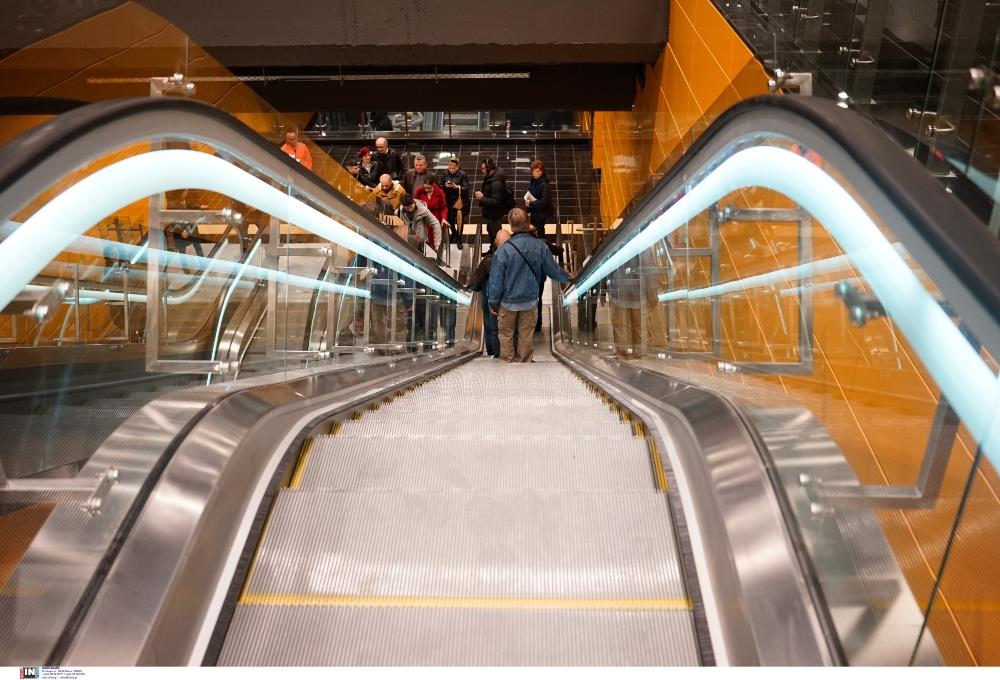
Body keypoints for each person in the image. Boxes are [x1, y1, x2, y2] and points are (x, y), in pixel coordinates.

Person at [488, 208, 570, 362]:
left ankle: (507, 366)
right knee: (526, 336)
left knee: (506, 336)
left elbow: (496, 281)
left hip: (507, 302)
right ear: (528, 223)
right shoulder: (540, 246)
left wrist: (493, 303)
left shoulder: (503, 250)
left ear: (511, 225)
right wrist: (569, 278)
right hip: (530, 301)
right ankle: (525, 367)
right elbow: (553, 270)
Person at [469, 229, 510, 357]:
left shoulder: (488, 260)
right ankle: (507, 351)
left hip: (490, 300)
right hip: (510, 300)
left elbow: (476, 282)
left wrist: (471, 287)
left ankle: (493, 352)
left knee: (491, 327)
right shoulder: (515, 259)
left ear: (495, 243)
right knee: (509, 328)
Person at [474, 157, 508, 246]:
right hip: (491, 213)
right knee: (490, 230)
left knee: (496, 235)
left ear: (489, 169)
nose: (482, 170)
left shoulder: (496, 183)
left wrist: (482, 197)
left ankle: (496, 253)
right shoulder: (491, 177)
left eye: (483, 168)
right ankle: (492, 250)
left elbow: (496, 201)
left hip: (495, 214)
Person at [414, 175, 448, 261]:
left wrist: (444, 218)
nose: (426, 190)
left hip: (434, 219)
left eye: (429, 188)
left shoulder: (439, 192)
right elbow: (415, 203)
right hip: (423, 220)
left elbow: (444, 208)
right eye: (425, 187)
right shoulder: (419, 191)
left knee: (434, 242)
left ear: (433, 184)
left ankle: (434, 260)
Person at [400, 194, 442, 261]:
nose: (410, 210)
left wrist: (437, 245)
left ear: (413, 201)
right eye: (407, 208)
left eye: (411, 207)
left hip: (419, 242)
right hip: (405, 242)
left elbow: (436, 224)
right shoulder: (399, 211)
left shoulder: (423, 210)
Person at [440, 156, 468, 251]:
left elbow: (466, 188)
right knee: (450, 220)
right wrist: (445, 185)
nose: (451, 170)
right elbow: (439, 185)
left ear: (457, 167)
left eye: (454, 168)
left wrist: (457, 187)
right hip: (449, 201)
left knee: (460, 222)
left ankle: (459, 239)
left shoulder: (463, 174)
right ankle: (455, 234)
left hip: (460, 203)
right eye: (450, 168)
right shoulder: (445, 173)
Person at [524, 159, 552, 238]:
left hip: (541, 213)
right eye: (533, 171)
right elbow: (529, 192)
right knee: (533, 233)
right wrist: (527, 200)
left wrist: (531, 203)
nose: (535, 173)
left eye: (537, 171)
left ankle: (543, 249)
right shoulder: (533, 181)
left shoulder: (544, 184)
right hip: (534, 212)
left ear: (542, 171)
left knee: (540, 233)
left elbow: (544, 201)